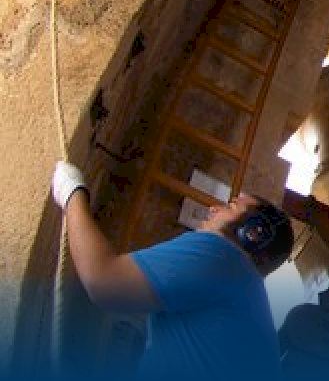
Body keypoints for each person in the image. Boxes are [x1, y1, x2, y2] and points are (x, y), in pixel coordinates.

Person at [52, 160, 295, 377]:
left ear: (252, 233)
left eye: (230, 206)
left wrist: (72, 192)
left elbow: (102, 282)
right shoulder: (248, 295)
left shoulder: (223, 258)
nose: (213, 209)